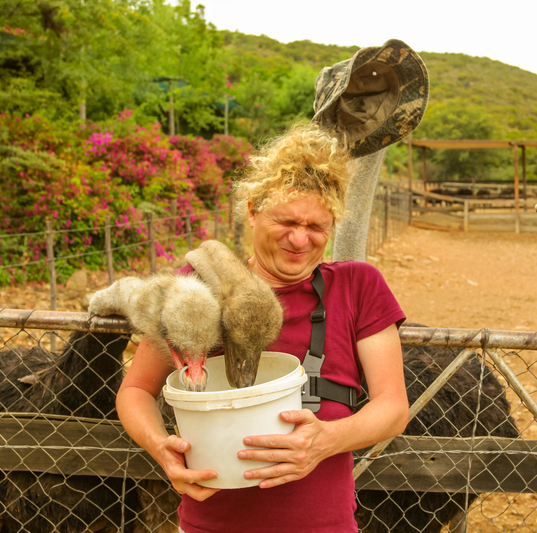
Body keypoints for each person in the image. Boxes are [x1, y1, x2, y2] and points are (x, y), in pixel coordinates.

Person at [116, 124, 410, 533]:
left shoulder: (359, 286)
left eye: (317, 227)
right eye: (286, 220)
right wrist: (161, 448)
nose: (300, 239)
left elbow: (393, 408)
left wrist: (326, 440)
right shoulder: (195, 287)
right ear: (252, 210)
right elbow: (135, 391)